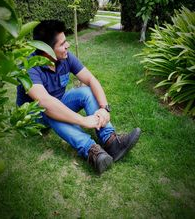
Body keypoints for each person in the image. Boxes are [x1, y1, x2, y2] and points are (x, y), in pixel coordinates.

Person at [16, 20, 141, 174]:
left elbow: (91, 79)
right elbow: (45, 103)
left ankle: (111, 142)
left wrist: (104, 108)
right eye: (62, 44)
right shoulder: (28, 68)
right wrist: (82, 121)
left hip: (56, 103)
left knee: (85, 92)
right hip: (32, 119)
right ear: (47, 51)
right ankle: (92, 151)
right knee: (49, 110)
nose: (67, 45)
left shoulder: (65, 57)